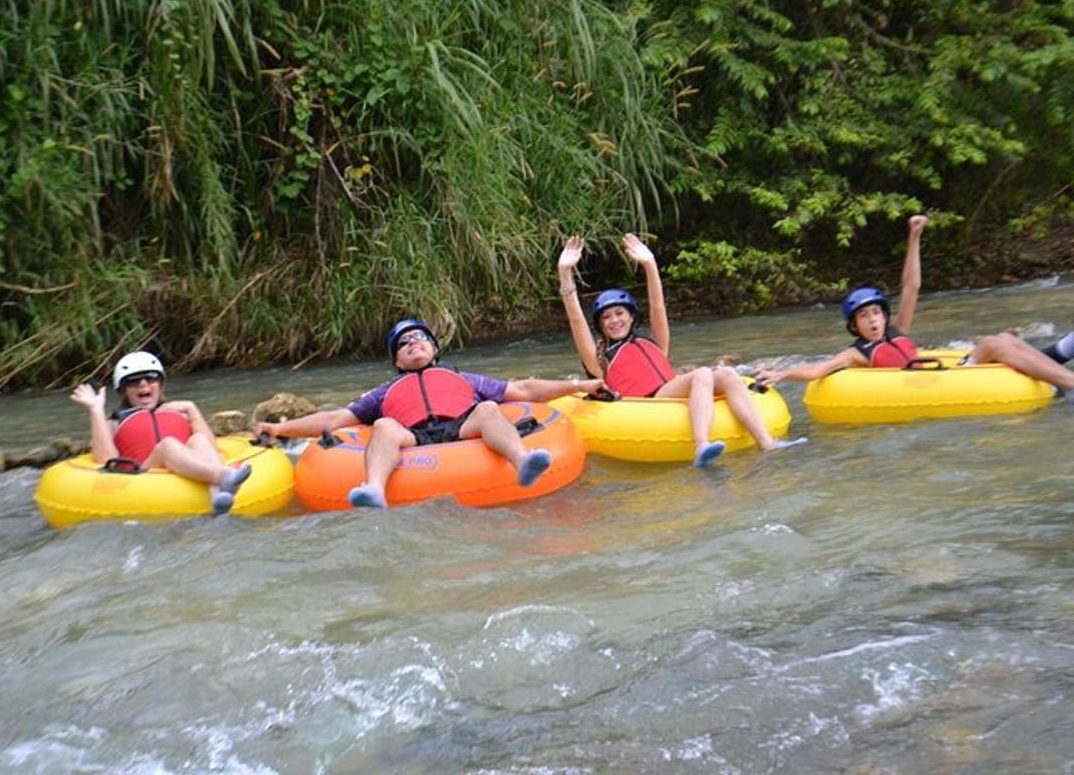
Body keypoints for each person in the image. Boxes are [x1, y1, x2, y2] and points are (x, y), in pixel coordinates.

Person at [254, 318, 605, 509]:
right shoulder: (384, 392)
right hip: (414, 438)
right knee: (383, 425)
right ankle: (374, 489)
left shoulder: (461, 378)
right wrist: (279, 428)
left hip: (462, 427)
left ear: (434, 348)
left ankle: (522, 460)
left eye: (420, 338)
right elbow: (332, 421)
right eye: (404, 343)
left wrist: (577, 385)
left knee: (486, 407)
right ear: (397, 360)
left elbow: (524, 391)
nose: (413, 343)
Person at [756, 214, 1074, 394]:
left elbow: (911, 286)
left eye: (876, 313)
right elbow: (819, 369)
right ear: (854, 325)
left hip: (950, 376)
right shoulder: (856, 354)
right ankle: (1069, 382)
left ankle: (1061, 371)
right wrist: (783, 375)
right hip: (939, 385)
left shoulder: (898, 330)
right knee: (996, 343)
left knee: (1003, 339)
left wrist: (914, 238)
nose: (873, 320)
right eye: (864, 317)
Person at [558, 233, 796, 468]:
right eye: (607, 317)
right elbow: (577, 321)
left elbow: (658, 306)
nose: (614, 321)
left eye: (620, 313)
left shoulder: (654, 344)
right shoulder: (599, 358)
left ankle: (766, 442)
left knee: (727, 374)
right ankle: (702, 446)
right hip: (645, 405)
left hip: (668, 393)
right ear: (600, 325)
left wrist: (650, 265)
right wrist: (565, 273)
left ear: (631, 317)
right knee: (703, 373)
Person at [70, 351, 251, 513]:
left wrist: (192, 410)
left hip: (186, 469)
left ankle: (215, 494)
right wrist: (95, 409)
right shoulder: (115, 422)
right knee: (168, 445)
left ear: (160, 384)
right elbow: (104, 461)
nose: (143, 384)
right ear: (124, 391)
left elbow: (213, 449)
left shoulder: (177, 411)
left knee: (198, 440)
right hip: (144, 475)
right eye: (134, 381)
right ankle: (223, 477)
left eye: (151, 378)